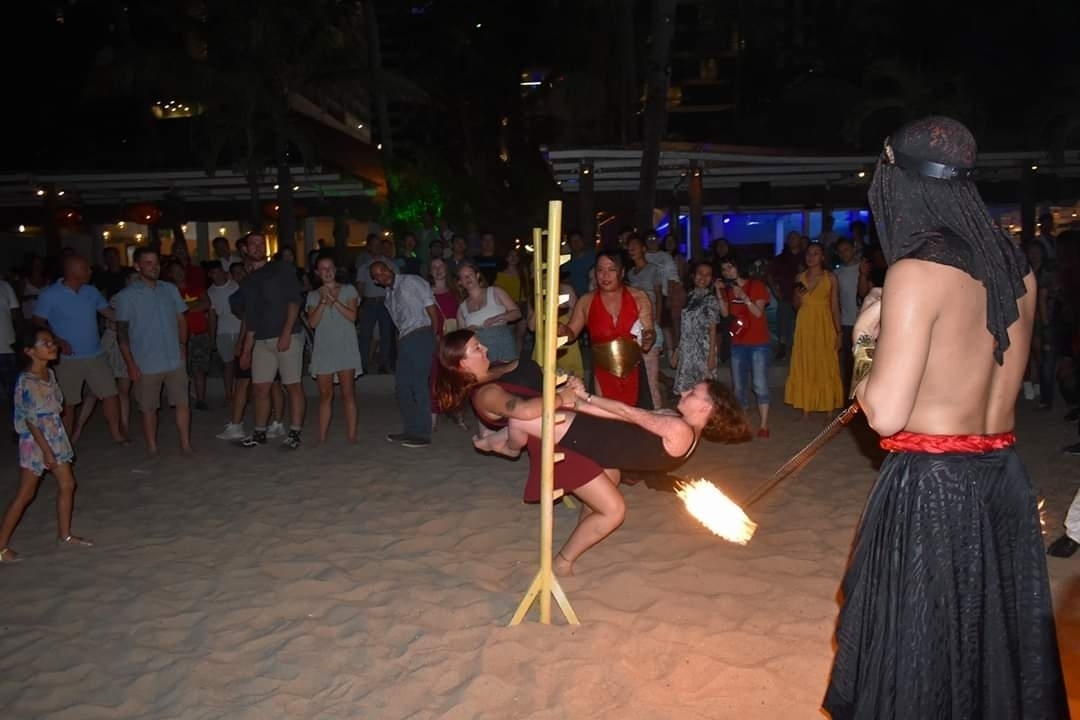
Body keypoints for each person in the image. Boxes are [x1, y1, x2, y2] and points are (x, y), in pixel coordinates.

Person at [823, 116, 1068, 719]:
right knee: (988, 653)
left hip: (934, 486)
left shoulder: (914, 273)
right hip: (1004, 479)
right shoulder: (1019, 270)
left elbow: (882, 412)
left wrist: (867, 333)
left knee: (919, 655)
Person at [435, 329, 625, 576]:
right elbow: (523, 411)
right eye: (477, 349)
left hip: (572, 425)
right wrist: (561, 397)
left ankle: (583, 534)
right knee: (614, 510)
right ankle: (562, 562)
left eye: (480, 344)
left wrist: (563, 382)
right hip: (555, 441)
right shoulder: (484, 394)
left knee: (612, 475)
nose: (486, 349)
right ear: (462, 363)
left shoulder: (497, 369)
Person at [474, 364, 751, 472]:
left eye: (694, 392)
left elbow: (627, 412)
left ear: (706, 408)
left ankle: (509, 447)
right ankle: (494, 440)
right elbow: (623, 417)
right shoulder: (675, 419)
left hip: (596, 442)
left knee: (522, 419)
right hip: (604, 436)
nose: (687, 390)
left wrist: (587, 399)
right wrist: (580, 400)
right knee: (555, 406)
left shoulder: (679, 429)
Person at [0, 328, 92, 562]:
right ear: (29, 351)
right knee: (25, 494)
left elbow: (55, 408)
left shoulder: (49, 373)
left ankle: (65, 535)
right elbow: (31, 421)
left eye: (52, 342)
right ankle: (1, 546)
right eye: (45, 343)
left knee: (68, 484)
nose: (53, 346)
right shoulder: (27, 380)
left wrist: (59, 441)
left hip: (54, 435)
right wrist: (48, 452)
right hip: (36, 441)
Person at [114, 248, 193, 456]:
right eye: (148, 263)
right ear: (137, 266)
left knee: (182, 402)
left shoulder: (169, 289)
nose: (153, 267)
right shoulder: (126, 296)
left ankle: (185, 445)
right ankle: (152, 447)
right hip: (146, 361)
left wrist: (183, 345)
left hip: (173, 358)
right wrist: (130, 363)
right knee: (149, 407)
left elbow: (181, 319)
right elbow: (121, 334)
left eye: (156, 262)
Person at [369, 259, 439, 448]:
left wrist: (433, 336)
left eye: (382, 270)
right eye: (377, 275)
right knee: (402, 388)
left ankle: (423, 433)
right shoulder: (388, 298)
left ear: (389, 268)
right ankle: (411, 430)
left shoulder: (411, 281)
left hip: (421, 333)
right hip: (406, 339)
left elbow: (431, 308)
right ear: (375, 281)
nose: (382, 275)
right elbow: (399, 325)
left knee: (418, 384)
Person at [305, 253, 362, 445]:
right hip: (324, 349)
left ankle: (352, 435)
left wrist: (334, 301)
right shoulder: (313, 295)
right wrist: (323, 301)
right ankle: (322, 437)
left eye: (330, 267)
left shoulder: (348, 290)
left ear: (335, 269)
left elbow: (353, 317)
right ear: (317, 272)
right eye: (323, 269)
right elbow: (312, 323)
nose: (327, 272)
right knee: (325, 395)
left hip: (346, 347)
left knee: (348, 393)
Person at [783, 242, 844, 419]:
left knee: (826, 362)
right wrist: (797, 297)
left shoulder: (830, 277)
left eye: (816, 253)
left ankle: (829, 408)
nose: (811, 257)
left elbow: (834, 307)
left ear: (822, 257)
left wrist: (838, 333)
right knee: (805, 362)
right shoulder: (799, 277)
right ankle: (806, 407)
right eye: (809, 253)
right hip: (805, 323)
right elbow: (796, 306)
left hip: (824, 323)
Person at [716, 256, 772, 438]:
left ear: (739, 267)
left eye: (730, 267)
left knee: (759, 383)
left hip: (758, 342)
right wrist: (719, 293)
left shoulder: (756, 285)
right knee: (739, 386)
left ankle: (764, 425)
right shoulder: (729, 290)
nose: (727, 272)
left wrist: (745, 297)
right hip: (738, 342)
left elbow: (758, 313)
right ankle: (744, 424)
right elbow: (725, 313)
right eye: (724, 269)